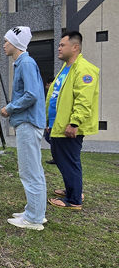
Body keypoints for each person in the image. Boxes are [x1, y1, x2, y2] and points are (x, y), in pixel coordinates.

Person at [1, 26, 48, 231]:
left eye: (7, 41)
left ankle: (34, 218)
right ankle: (35, 211)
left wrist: (9, 108)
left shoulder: (26, 63)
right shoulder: (23, 63)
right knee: (33, 169)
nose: (4, 45)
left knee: (29, 171)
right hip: (29, 122)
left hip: (28, 122)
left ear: (16, 43)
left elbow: (31, 94)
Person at [46, 31, 99, 210]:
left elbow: (84, 100)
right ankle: (73, 189)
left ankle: (74, 200)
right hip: (57, 125)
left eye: (62, 45)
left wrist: (74, 123)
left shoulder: (84, 69)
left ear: (75, 47)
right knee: (63, 160)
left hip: (69, 127)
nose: (59, 48)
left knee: (69, 161)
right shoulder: (67, 68)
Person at [42, 76, 56, 165]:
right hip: (50, 121)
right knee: (49, 139)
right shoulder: (51, 93)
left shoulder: (54, 93)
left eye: (47, 84)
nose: (46, 86)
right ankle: (56, 157)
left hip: (52, 122)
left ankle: (56, 157)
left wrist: (49, 124)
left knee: (51, 139)